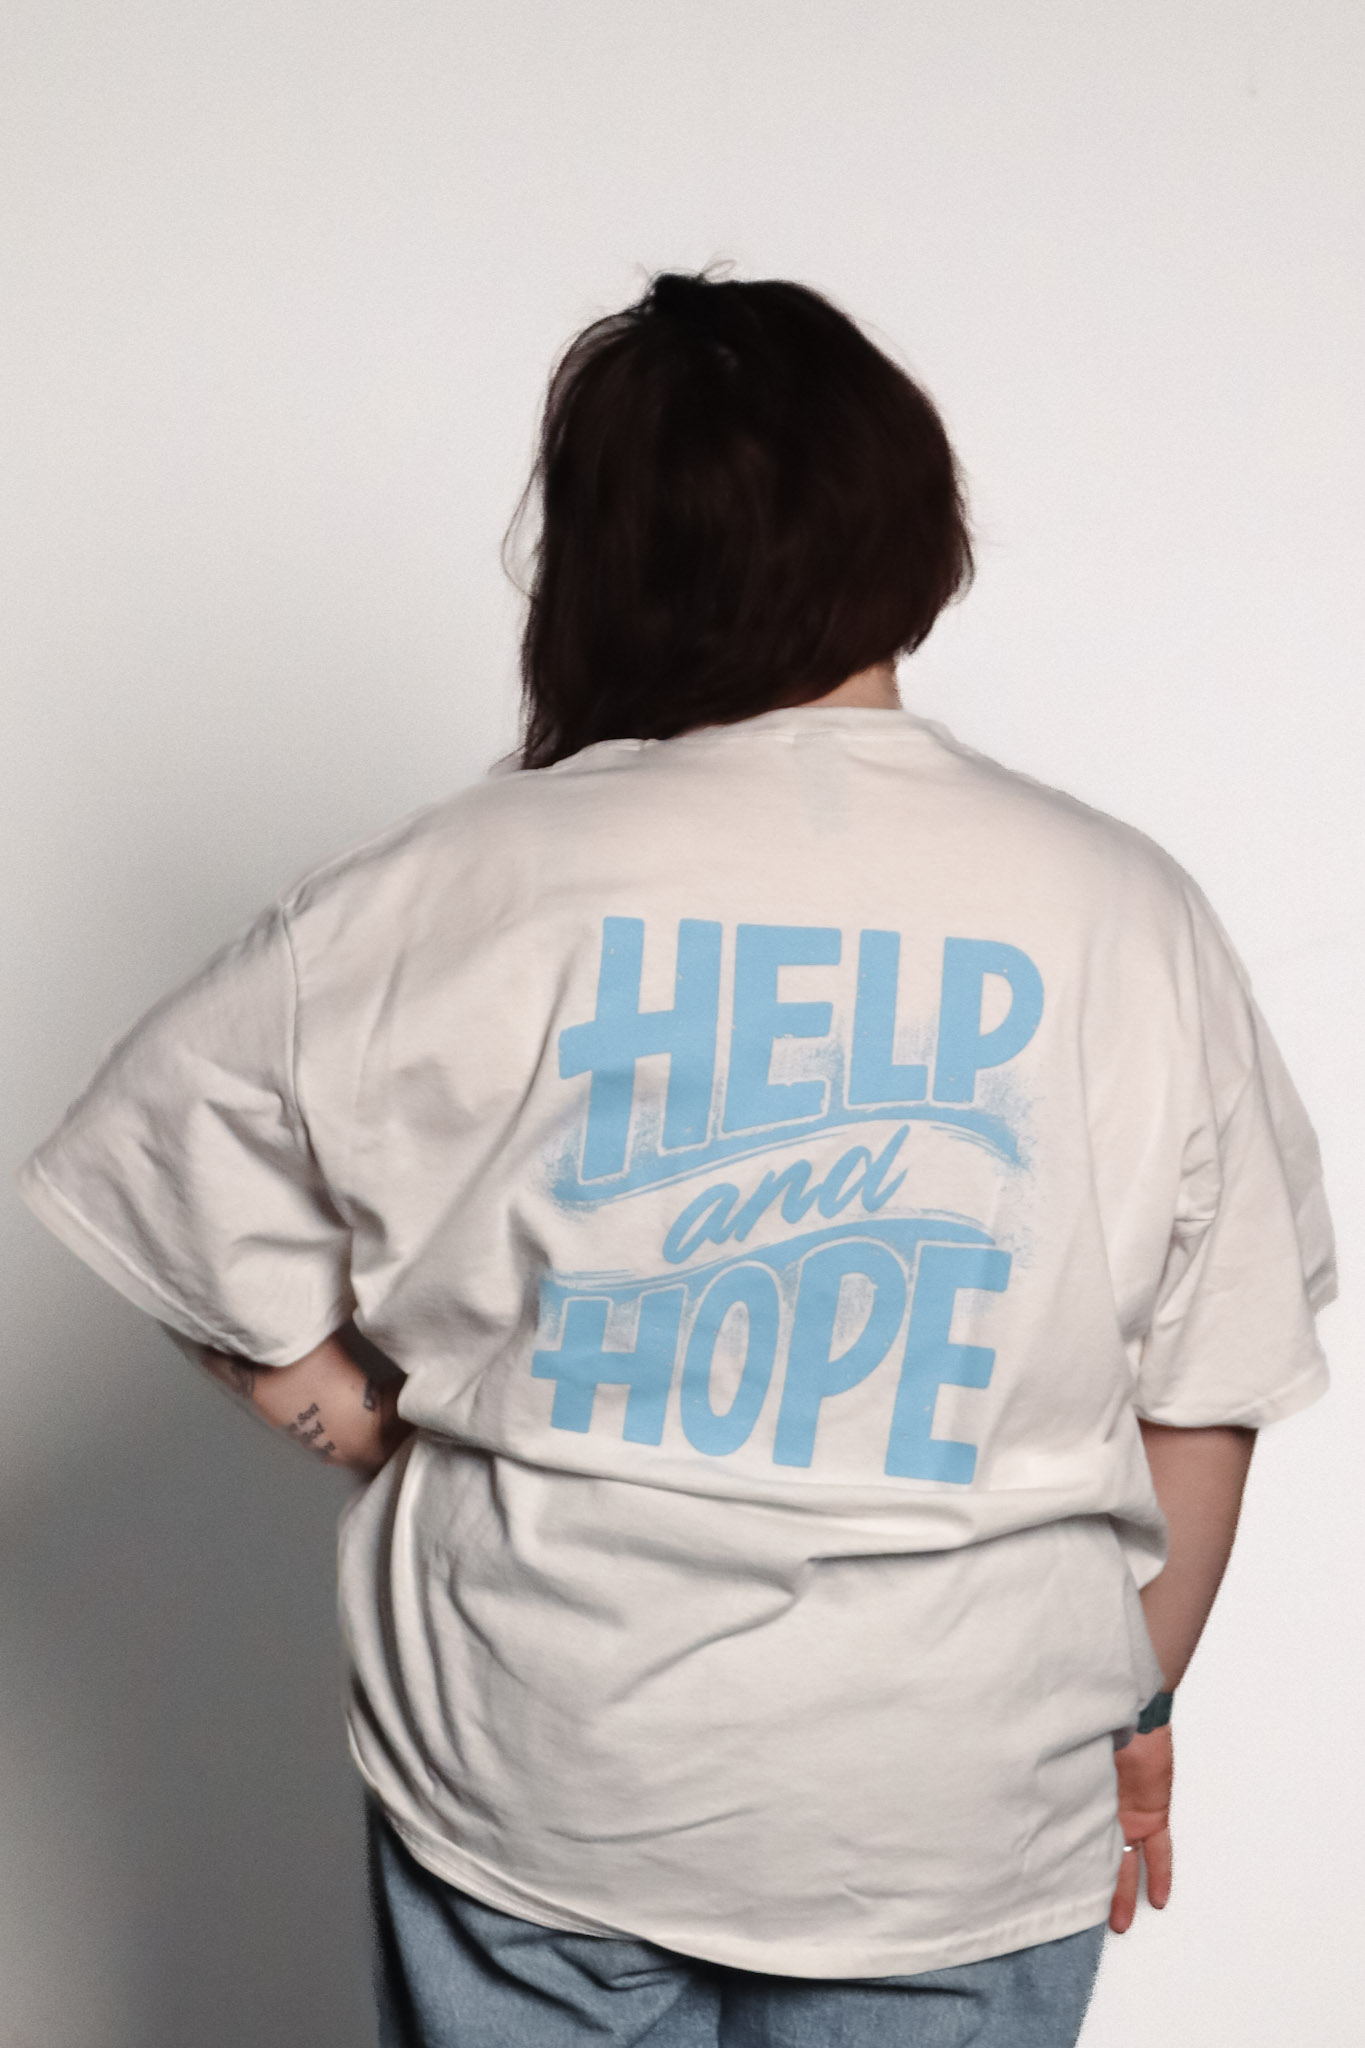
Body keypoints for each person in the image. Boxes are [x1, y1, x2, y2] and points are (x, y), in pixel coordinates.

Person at [19, 271, 1335, 2048]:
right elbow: (1205, 1395)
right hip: (954, 1805)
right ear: (914, 527)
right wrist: (1131, 1701)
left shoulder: (457, 882)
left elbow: (158, 1162)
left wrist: (372, 1424)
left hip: (538, 1769)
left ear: (601, 563)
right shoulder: (1125, 913)